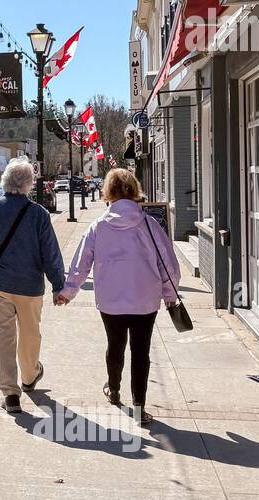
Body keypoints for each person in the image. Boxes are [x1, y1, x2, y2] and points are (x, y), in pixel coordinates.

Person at [56, 168, 180, 425]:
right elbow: (167, 262)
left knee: (115, 346)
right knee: (141, 351)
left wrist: (68, 292)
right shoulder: (149, 224)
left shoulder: (98, 226)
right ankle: (139, 407)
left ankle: (113, 389)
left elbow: (81, 263)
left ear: (108, 192)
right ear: (134, 190)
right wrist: (170, 294)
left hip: (110, 299)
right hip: (145, 298)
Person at [0, 157, 66, 414]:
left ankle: (10, 393)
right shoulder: (39, 214)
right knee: (31, 334)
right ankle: (30, 375)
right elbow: (51, 253)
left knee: (4, 337)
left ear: (5, 182)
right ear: (29, 185)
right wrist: (58, 285)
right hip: (30, 288)